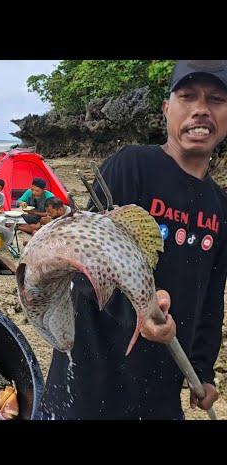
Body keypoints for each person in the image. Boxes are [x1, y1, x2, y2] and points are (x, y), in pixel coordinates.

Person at [40, 60, 227, 419]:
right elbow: (84, 271)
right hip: (93, 375)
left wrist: (202, 370)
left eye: (216, 99)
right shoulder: (130, 168)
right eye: (187, 96)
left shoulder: (221, 206)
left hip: (163, 384)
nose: (201, 109)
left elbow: (211, 297)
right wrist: (140, 314)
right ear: (166, 109)